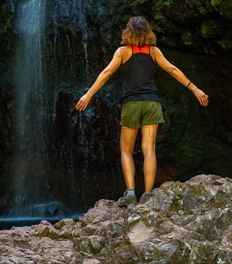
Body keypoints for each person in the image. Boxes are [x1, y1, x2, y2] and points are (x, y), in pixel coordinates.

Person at [75, 16, 209, 207]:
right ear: (147, 32)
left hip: (132, 105)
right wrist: (195, 89)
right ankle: (147, 195)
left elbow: (106, 73)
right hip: (151, 104)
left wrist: (88, 95)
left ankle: (130, 193)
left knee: (126, 150)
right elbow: (172, 69)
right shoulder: (153, 51)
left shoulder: (123, 52)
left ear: (128, 32)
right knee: (149, 150)